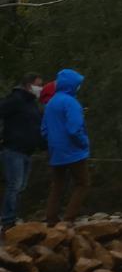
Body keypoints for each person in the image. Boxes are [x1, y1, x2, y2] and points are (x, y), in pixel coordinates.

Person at [41, 68, 90, 226]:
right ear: (72, 85)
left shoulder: (51, 103)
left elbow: (44, 129)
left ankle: (51, 219)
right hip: (74, 151)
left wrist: (53, 142)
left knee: (57, 185)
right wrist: (84, 142)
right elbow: (74, 129)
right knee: (82, 183)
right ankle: (69, 219)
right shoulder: (71, 102)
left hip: (55, 151)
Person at [0, 73, 46, 229]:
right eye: (38, 85)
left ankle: (12, 217)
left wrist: (43, 145)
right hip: (13, 150)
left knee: (20, 187)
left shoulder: (32, 104)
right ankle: (7, 220)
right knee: (14, 185)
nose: (40, 88)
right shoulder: (15, 99)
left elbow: (36, 128)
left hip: (28, 152)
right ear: (28, 85)